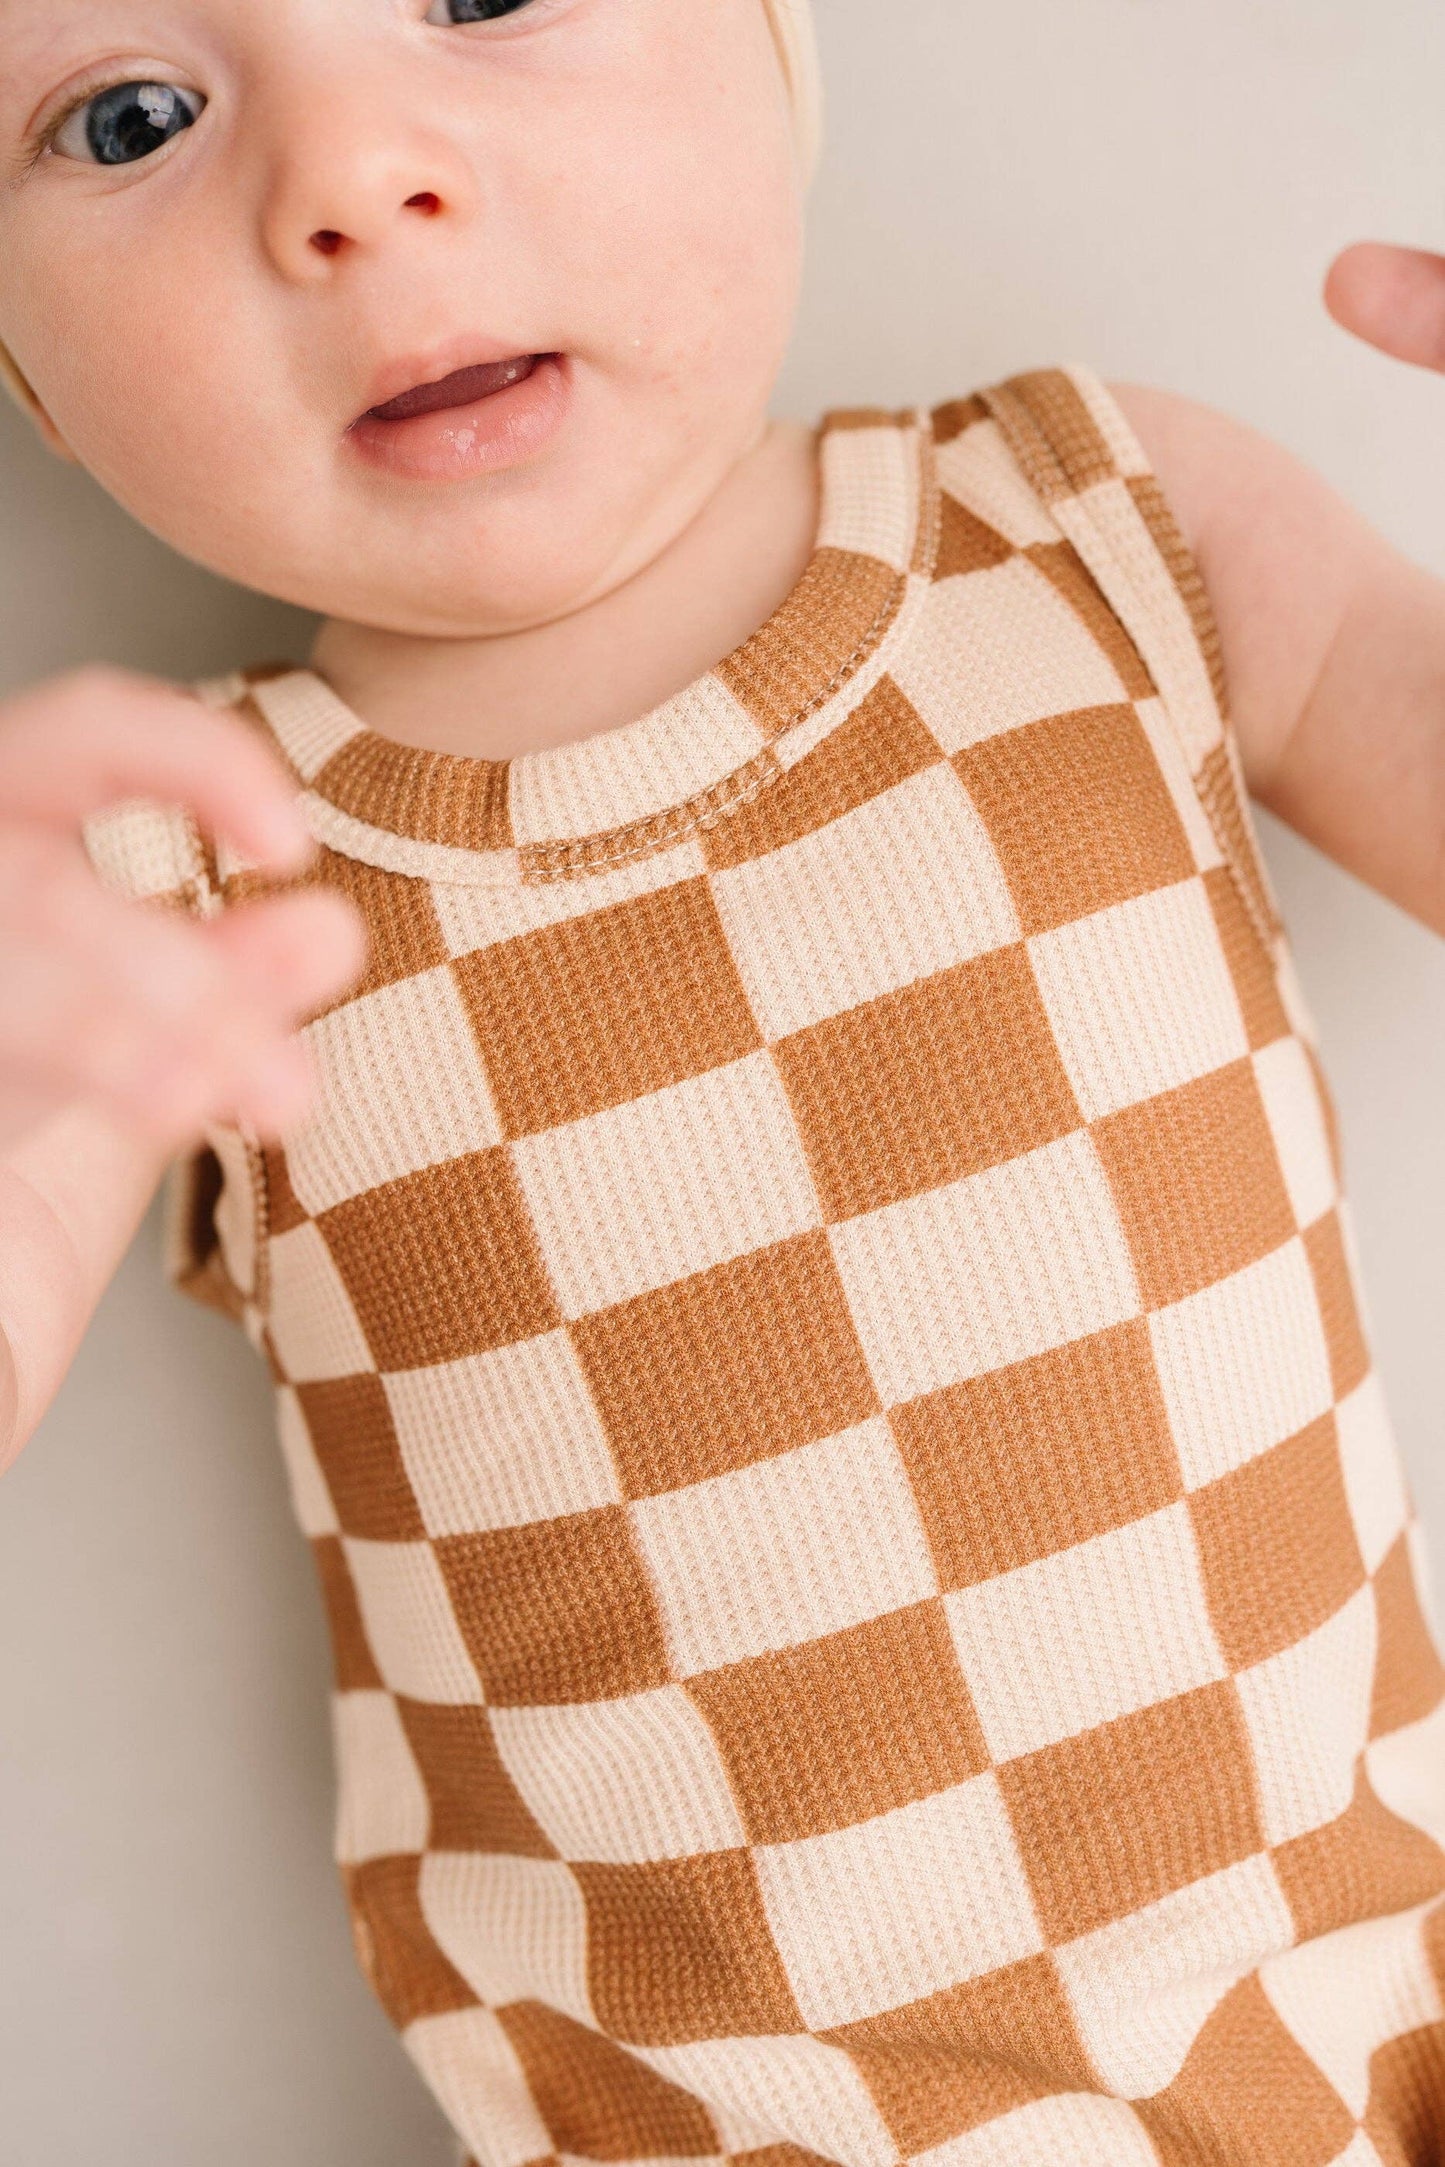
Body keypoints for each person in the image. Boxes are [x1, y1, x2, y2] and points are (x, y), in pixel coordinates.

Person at [2, 1, 1444, 2158]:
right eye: (128, 118)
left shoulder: (1112, 529)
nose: (350, 182)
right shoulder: (169, 868)